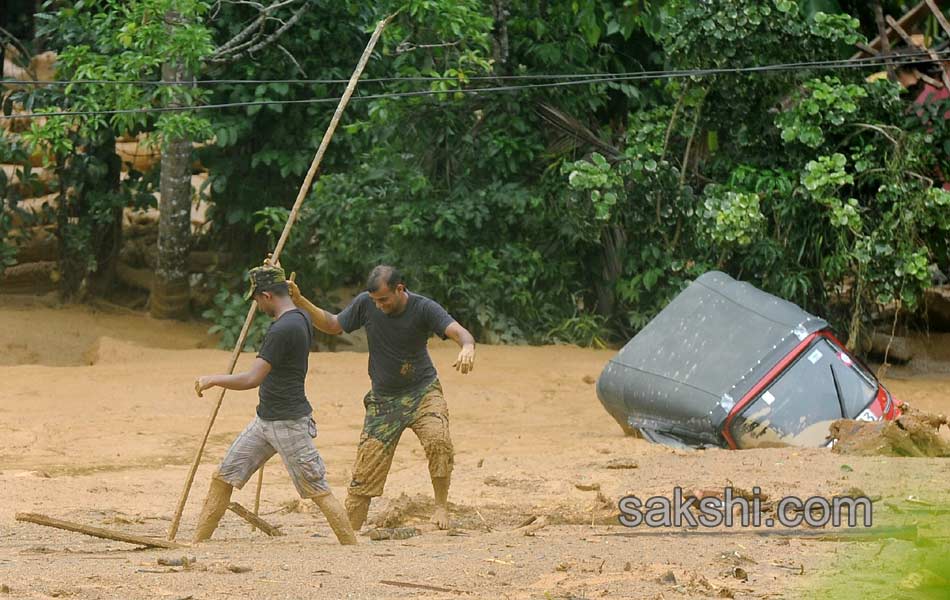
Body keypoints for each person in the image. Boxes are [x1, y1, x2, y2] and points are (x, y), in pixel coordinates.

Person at [288, 265, 475, 530]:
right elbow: (332, 325)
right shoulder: (367, 303)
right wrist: (299, 300)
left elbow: (459, 332)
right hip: (383, 400)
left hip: (423, 392)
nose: (379, 306)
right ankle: (351, 531)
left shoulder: (424, 308)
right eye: (375, 301)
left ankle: (441, 506)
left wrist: (467, 346)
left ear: (400, 289)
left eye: (384, 300)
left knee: (438, 441)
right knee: (364, 474)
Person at [191, 264, 356, 545]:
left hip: (289, 423)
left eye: (256, 298)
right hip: (265, 420)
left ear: (267, 295)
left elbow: (252, 378)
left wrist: (214, 379)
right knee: (223, 478)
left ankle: (351, 545)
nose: (256, 304)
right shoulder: (301, 316)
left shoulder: (283, 329)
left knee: (317, 489)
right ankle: (197, 542)